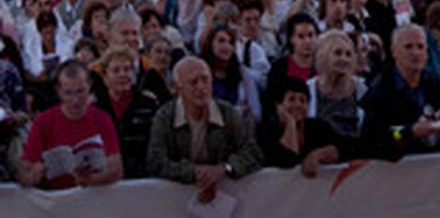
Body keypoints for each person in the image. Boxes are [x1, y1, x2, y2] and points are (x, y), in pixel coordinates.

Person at [146, 57, 262, 203]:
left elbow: (253, 153)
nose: (201, 87)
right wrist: (195, 173)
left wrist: (224, 169)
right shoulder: (164, 117)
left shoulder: (227, 112)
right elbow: (155, 162)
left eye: (206, 80)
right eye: (193, 82)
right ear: (178, 88)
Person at [19, 60, 123, 189]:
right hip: (55, 199)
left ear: (89, 86)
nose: (75, 100)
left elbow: (116, 169)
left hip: (92, 197)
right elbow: (24, 170)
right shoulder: (43, 121)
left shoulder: (102, 119)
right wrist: (34, 174)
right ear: (58, 91)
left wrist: (90, 180)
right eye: (68, 93)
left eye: (80, 91)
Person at [360, 24, 440, 160]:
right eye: (408, 47)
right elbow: (377, 136)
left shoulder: (432, 82)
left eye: (420, 47)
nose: (415, 53)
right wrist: (409, 132)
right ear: (394, 51)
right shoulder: (381, 90)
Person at [92, 46, 160, 178]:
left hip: (142, 176)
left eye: (127, 69)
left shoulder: (148, 104)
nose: (123, 74)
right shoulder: (95, 109)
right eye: (116, 70)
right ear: (105, 76)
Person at [257, 76, 345, 175]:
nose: (298, 105)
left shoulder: (318, 127)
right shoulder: (265, 132)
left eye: (303, 100)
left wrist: (320, 154)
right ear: (278, 105)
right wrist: (291, 124)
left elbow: (344, 147)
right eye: (291, 99)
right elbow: (289, 162)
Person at [307, 30, 366, 144]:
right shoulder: (308, 89)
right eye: (338, 53)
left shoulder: (362, 89)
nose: (344, 59)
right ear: (323, 56)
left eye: (348, 54)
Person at [266, 12, 319, 103]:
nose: (307, 41)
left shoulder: (323, 66)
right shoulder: (279, 68)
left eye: (311, 35)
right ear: (291, 39)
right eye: (301, 36)